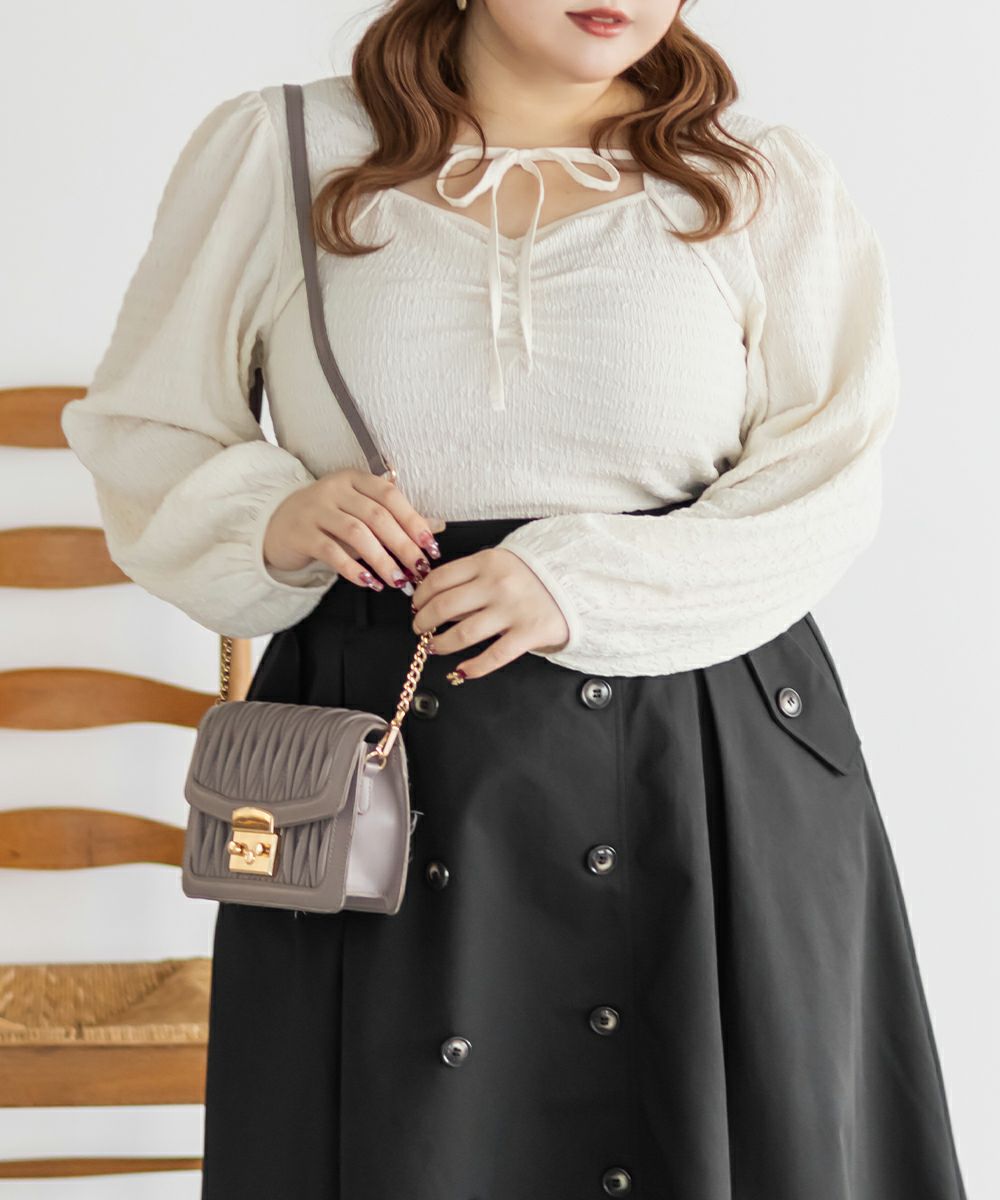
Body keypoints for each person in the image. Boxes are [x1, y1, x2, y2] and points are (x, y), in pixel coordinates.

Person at [61, 2, 969, 1197]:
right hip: (386, 772)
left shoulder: (759, 178)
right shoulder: (280, 152)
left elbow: (828, 478)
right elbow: (149, 431)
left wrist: (578, 585)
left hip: (703, 770)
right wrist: (274, 517)